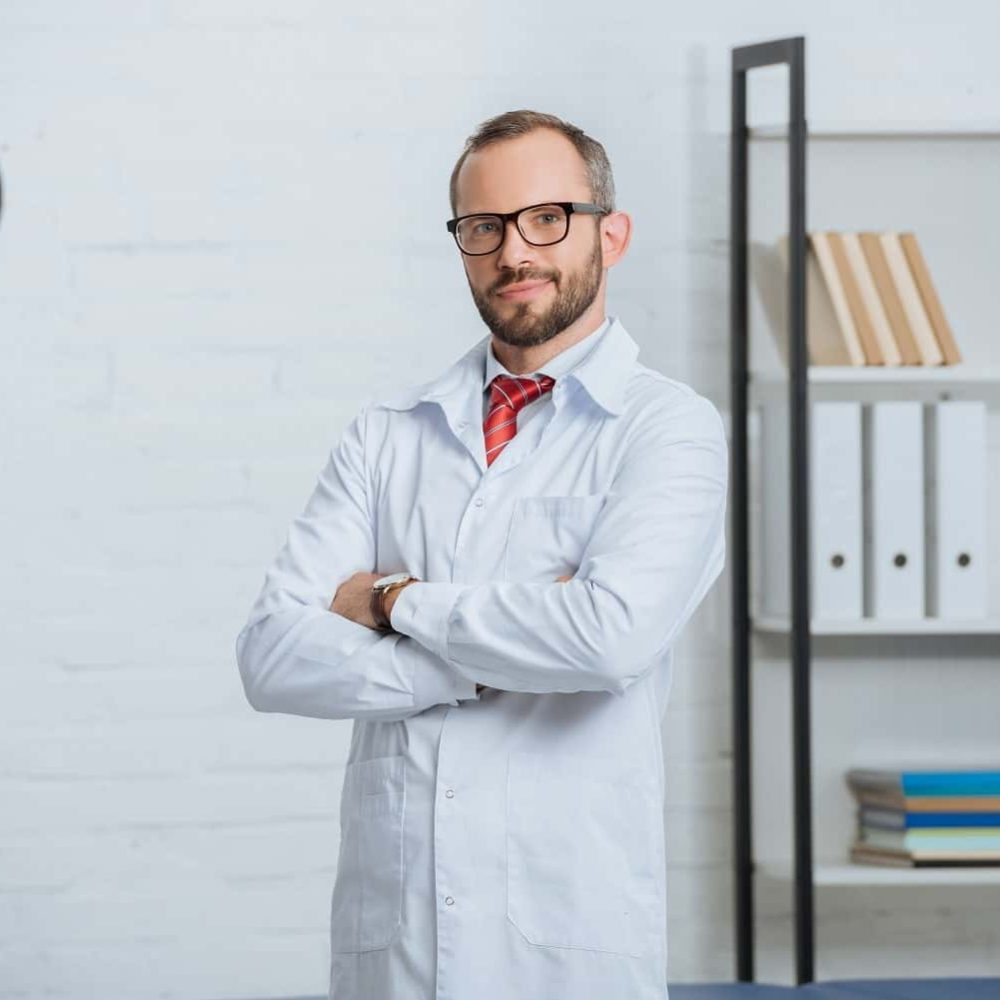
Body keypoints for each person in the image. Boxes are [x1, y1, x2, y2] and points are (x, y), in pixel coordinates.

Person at [235, 108, 728, 1000]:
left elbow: (608, 641)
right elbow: (272, 658)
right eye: (483, 227)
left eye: (548, 219)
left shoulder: (669, 429)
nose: (515, 252)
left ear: (609, 234)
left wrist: (392, 604)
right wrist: (496, 658)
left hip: (569, 944)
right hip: (396, 951)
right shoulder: (386, 437)